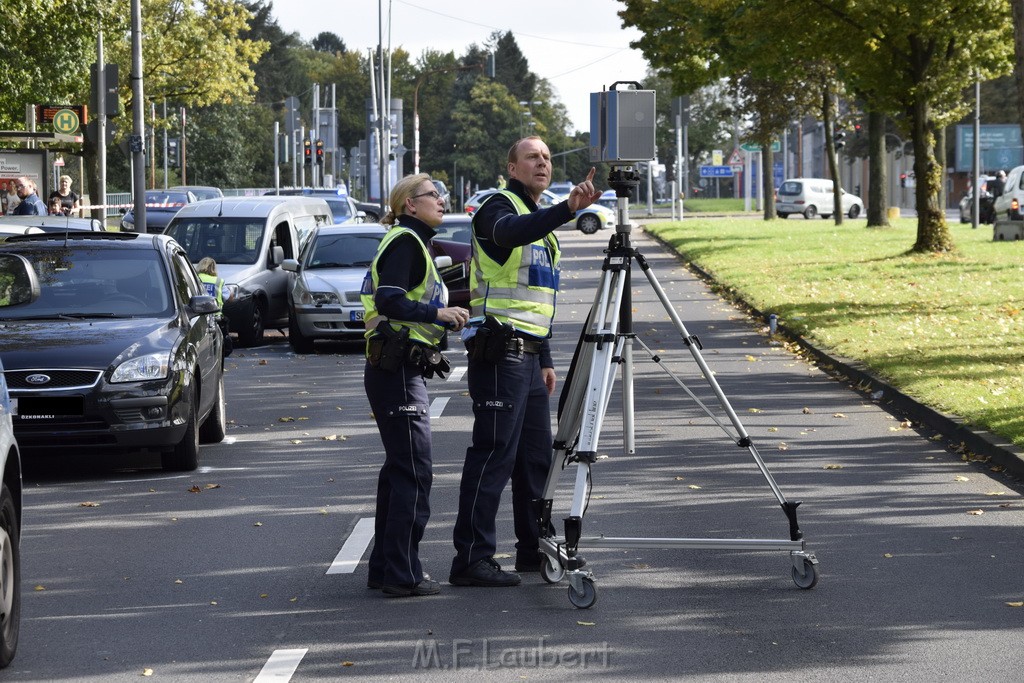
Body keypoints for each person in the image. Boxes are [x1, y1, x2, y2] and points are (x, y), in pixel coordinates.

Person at [448, 136, 600, 587]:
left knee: (536, 460)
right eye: (533, 157)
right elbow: (509, 234)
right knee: (494, 455)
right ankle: (471, 559)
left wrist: (547, 356)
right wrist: (566, 210)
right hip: (501, 352)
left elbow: (538, 299)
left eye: (548, 158)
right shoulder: (498, 208)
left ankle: (534, 549)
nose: (543, 163)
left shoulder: (541, 225)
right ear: (512, 167)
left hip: (531, 357)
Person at [361, 173, 470, 598]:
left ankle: (386, 568)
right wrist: (436, 314)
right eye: (433, 195)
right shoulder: (406, 241)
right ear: (410, 204)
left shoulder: (411, 242)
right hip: (397, 371)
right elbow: (389, 298)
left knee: (399, 471)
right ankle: (402, 575)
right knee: (414, 472)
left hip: (396, 369)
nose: (442, 200)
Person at [197, 257, 234, 356]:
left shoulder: (195, 278)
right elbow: (229, 298)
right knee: (219, 348)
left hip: (197, 315)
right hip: (215, 318)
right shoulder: (219, 281)